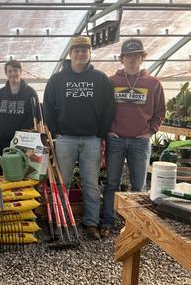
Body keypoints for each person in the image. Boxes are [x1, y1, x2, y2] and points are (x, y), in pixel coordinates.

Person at [43, 36, 115, 240]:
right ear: (70, 53)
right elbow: (47, 105)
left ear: (90, 53)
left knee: (91, 184)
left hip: (91, 139)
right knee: (62, 183)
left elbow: (109, 107)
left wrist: (101, 133)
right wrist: (55, 130)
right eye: (77, 50)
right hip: (65, 139)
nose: (81, 53)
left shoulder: (100, 79)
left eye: (85, 50)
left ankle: (91, 222)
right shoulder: (57, 79)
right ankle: (61, 220)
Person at [100, 38, 166, 237]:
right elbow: (102, 108)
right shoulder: (111, 82)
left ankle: (136, 225)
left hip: (140, 141)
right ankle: (108, 221)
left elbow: (161, 110)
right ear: (122, 59)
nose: (131, 59)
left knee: (139, 185)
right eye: (127, 56)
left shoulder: (153, 83)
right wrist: (109, 130)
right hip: (116, 139)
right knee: (112, 183)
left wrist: (150, 131)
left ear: (142, 58)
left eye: (136, 55)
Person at [0, 60, 39, 155]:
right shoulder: (0, 93)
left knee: (20, 166)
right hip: (2, 138)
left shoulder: (31, 93)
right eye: (10, 71)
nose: (13, 74)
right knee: (3, 166)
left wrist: (22, 130)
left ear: (20, 72)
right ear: (6, 73)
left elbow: (34, 115)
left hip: (22, 139)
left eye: (15, 70)